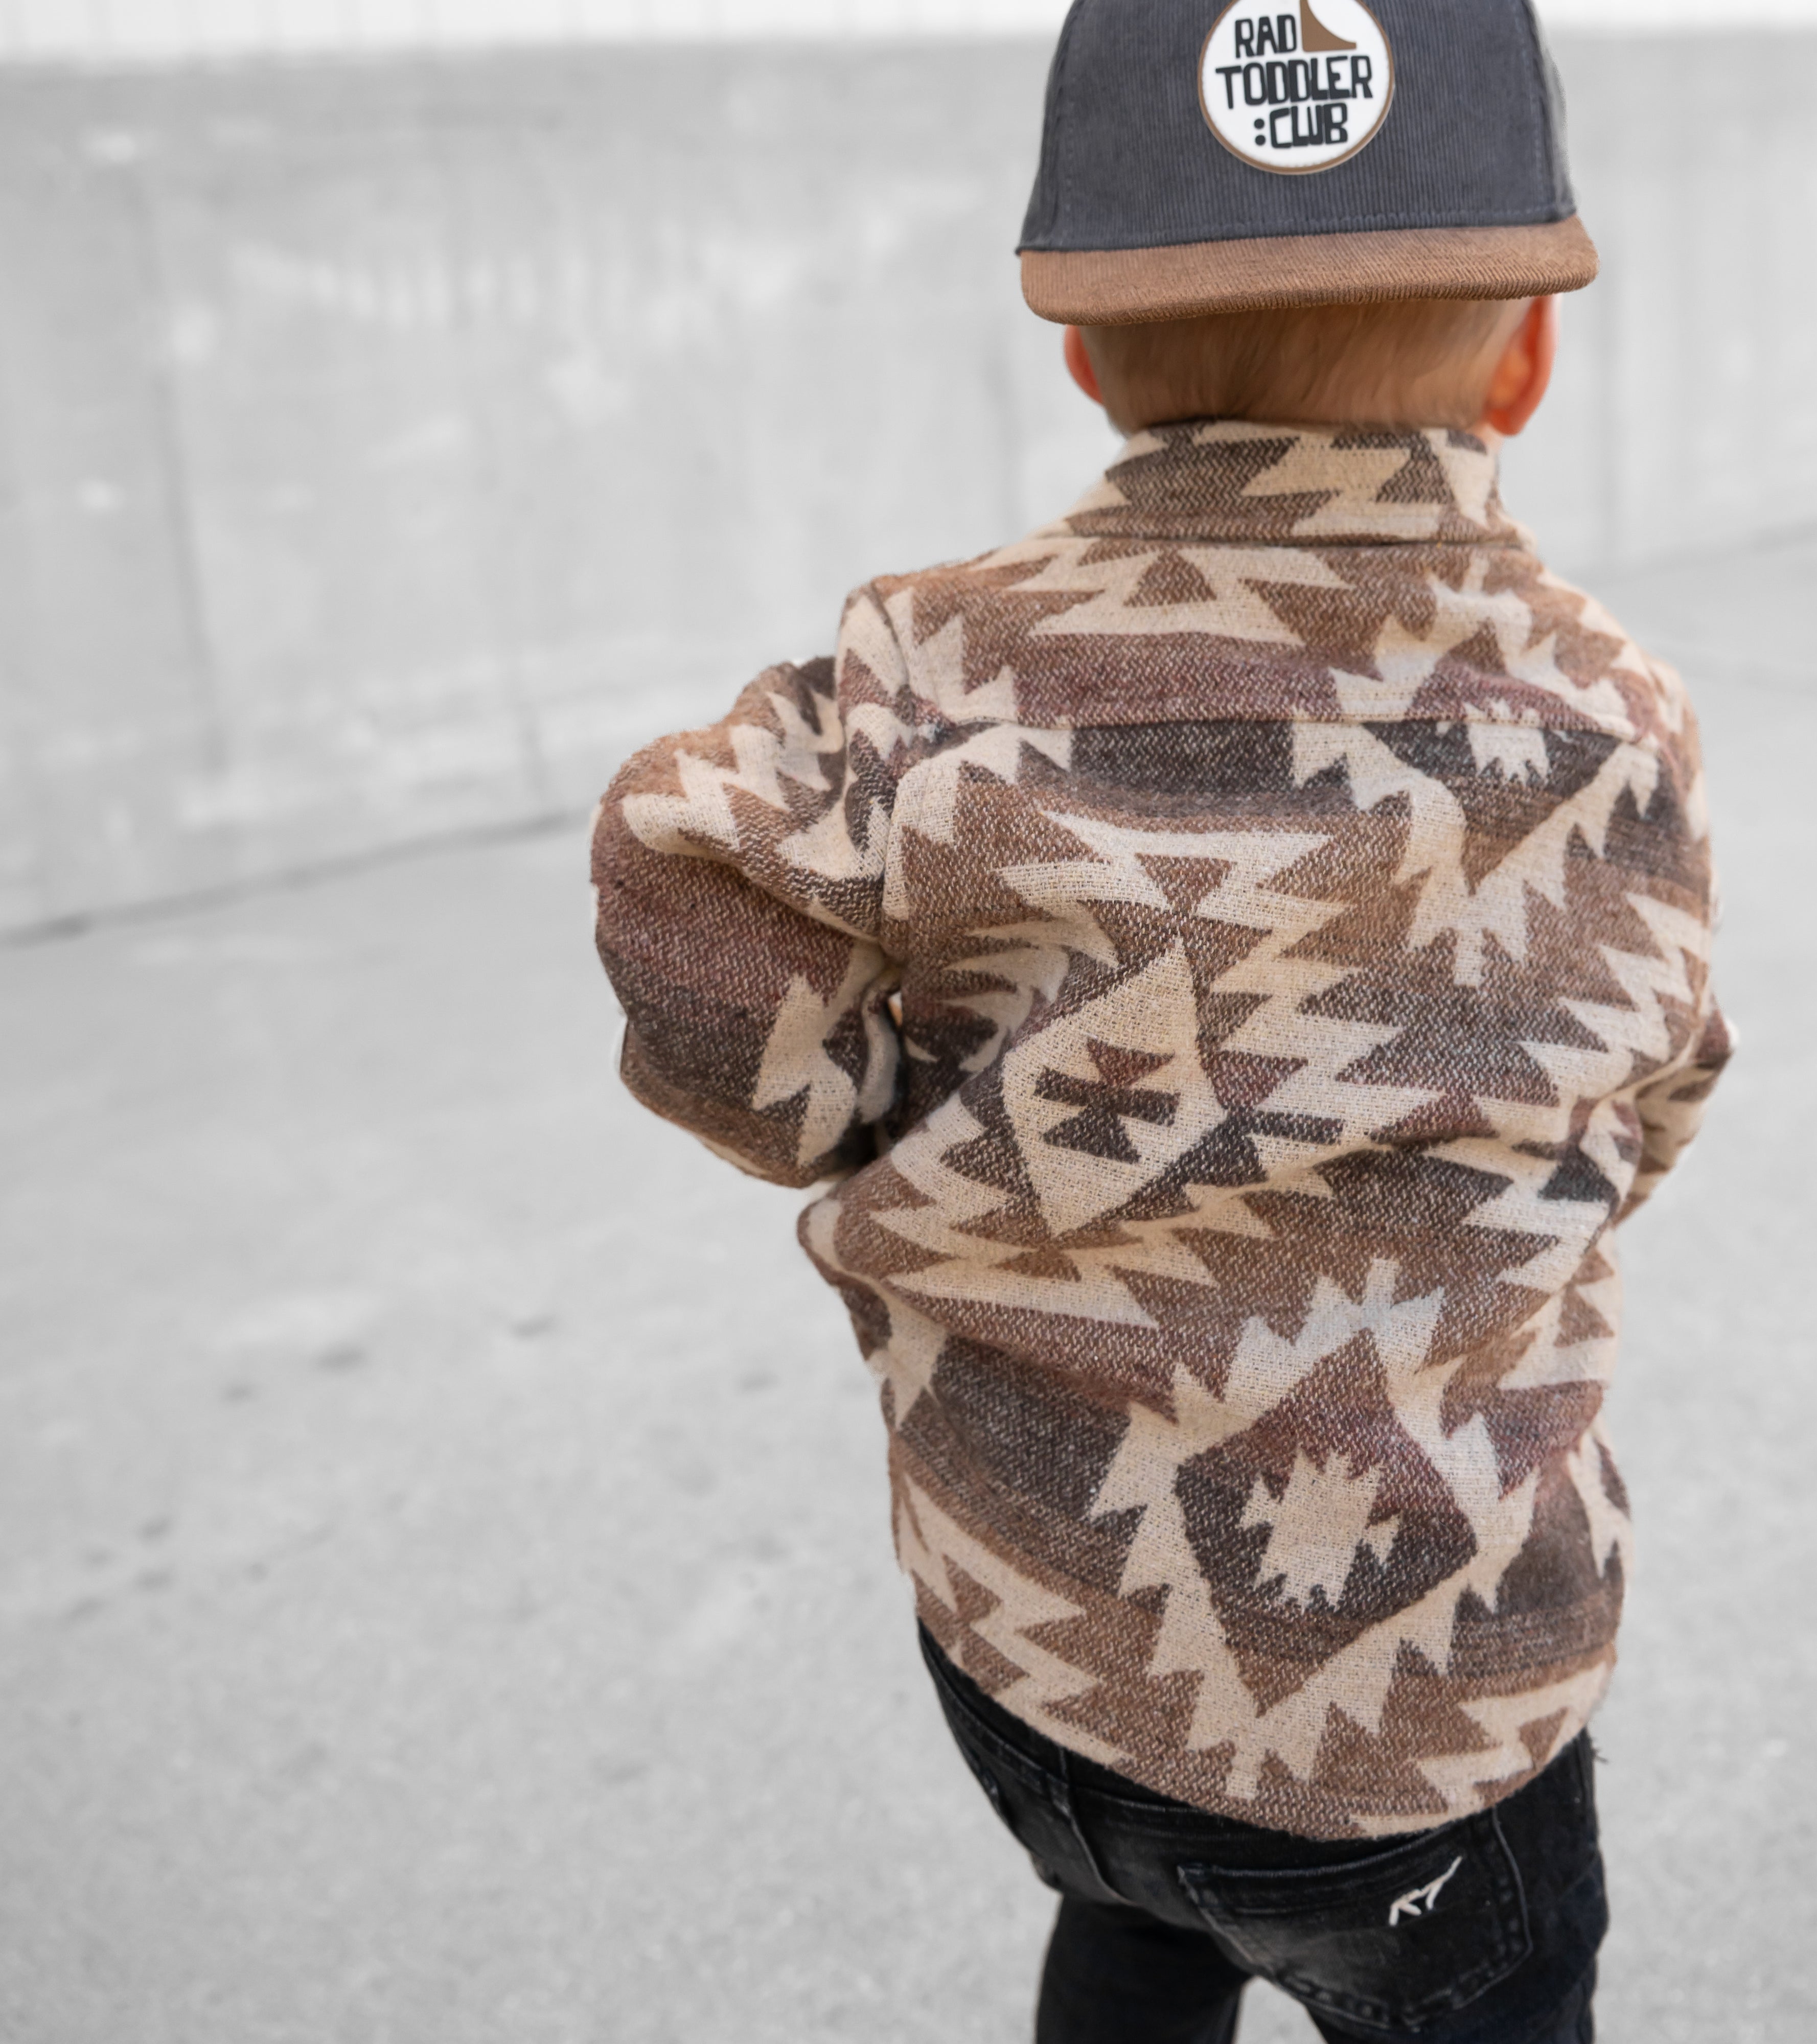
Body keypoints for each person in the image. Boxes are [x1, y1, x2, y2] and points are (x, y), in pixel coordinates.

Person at [591, 3, 1732, 2037]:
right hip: (1420, 1721)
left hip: (1035, 1648)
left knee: (1131, 1915)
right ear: (1527, 361)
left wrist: (883, 1115)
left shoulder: (920, 674)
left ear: (1088, 357)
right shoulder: (1608, 719)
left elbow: (698, 914)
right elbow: (1649, 1096)